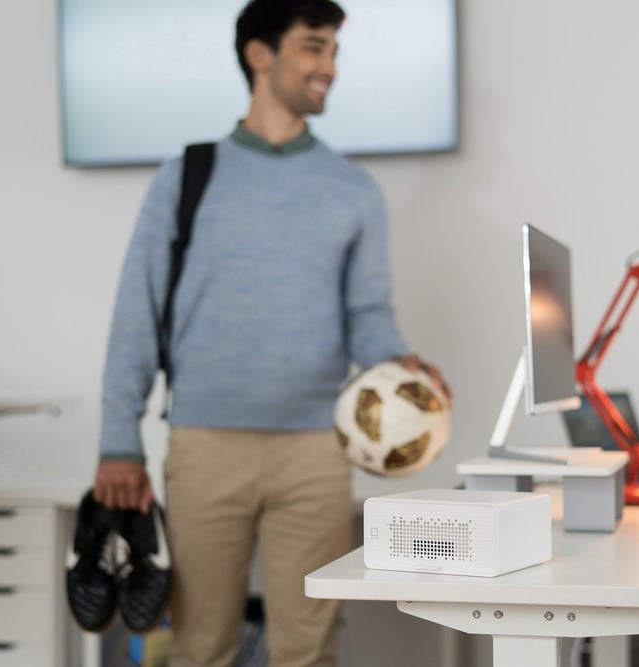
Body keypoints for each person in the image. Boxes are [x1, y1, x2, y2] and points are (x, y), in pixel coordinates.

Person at [92, 0, 451, 665]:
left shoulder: (353, 190)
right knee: (201, 645)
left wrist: (402, 368)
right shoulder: (187, 177)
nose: (329, 68)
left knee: (307, 650)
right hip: (205, 446)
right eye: (314, 48)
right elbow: (136, 313)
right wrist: (120, 440)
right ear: (261, 55)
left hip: (317, 452)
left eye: (334, 53)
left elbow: (367, 314)